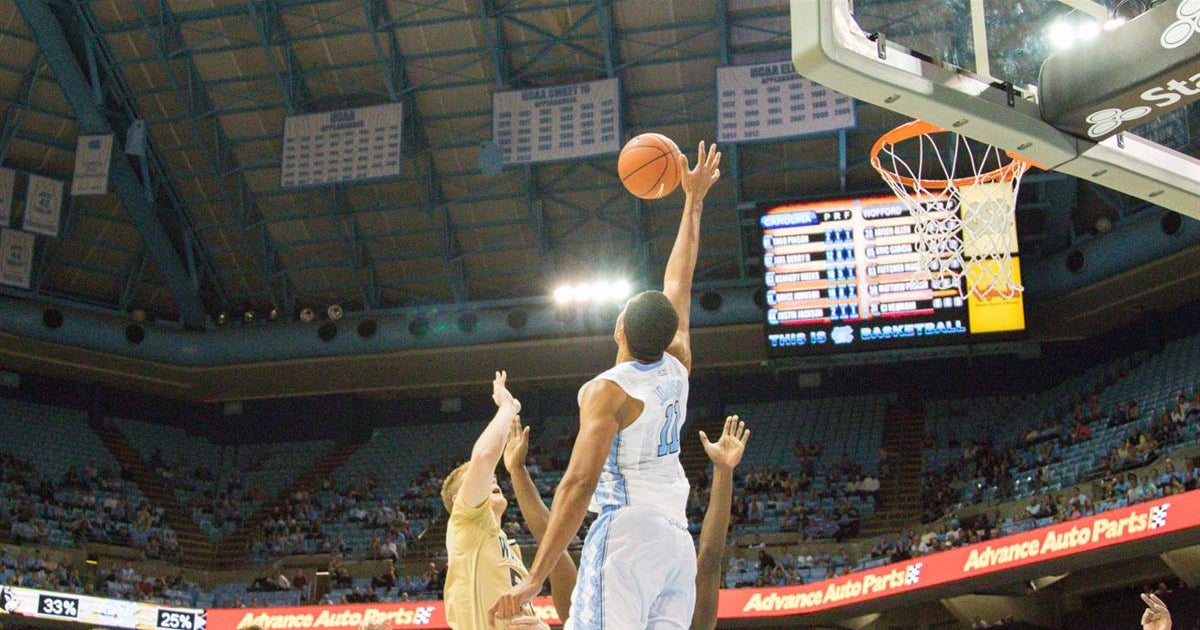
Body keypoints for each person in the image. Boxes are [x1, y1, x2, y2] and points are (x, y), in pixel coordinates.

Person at [489, 140, 722, 629]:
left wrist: (536, 577)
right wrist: (693, 199)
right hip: (676, 542)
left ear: (619, 329)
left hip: (628, 536)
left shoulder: (608, 390)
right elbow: (680, 278)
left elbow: (579, 483)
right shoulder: (678, 361)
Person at [501, 415, 750, 630]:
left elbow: (709, 558)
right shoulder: (682, 616)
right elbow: (709, 558)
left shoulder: (597, 612)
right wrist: (723, 471)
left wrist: (518, 472)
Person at [441, 371, 574, 630]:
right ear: (459, 500)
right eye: (479, 479)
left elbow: (553, 543)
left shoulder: (506, 550)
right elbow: (484, 457)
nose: (492, 479)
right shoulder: (466, 525)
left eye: (493, 477)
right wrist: (507, 406)